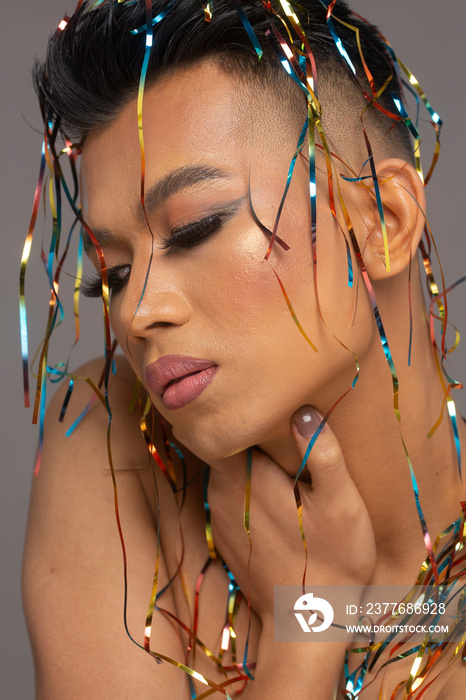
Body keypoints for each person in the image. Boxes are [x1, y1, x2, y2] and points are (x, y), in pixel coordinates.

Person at [21, 0, 466, 697]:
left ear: (382, 222)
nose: (136, 312)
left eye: (195, 227)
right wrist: (310, 630)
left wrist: (314, 611)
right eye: (114, 271)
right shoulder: (110, 439)